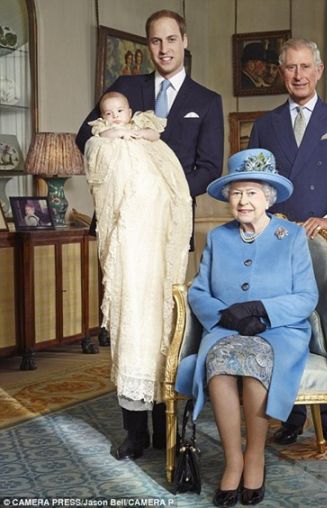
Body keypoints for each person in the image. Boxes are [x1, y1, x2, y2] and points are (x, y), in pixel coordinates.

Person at [76, 9, 224, 461]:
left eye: (171, 39)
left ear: (184, 40)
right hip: (125, 235)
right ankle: (134, 432)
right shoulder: (126, 89)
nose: (164, 48)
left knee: (166, 326)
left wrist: (166, 193)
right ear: (148, 46)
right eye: (156, 41)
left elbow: (209, 168)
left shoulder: (207, 99)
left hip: (169, 232)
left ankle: (167, 427)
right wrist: (119, 143)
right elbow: (87, 136)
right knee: (128, 325)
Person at [175, 148, 319, 507]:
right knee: (220, 367)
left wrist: (260, 309)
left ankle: (255, 457)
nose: (243, 201)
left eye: (252, 192)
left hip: (279, 330)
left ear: (267, 197)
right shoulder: (219, 237)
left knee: (255, 365)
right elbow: (198, 290)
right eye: (236, 193)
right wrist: (225, 316)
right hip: (226, 328)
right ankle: (233, 460)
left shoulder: (293, 236)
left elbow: (306, 297)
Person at [248, 38, 327, 446]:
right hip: (279, 246)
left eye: (305, 67)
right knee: (285, 329)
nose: (298, 75)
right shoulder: (265, 126)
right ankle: (293, 413)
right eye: (290, 68)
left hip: (326, 246)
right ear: (281, 73)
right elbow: (254, 186)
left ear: (318, 71)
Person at [84, 88, 192, 461]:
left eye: (120, 111)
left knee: (166, 334)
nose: (115, 117)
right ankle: (135, 433)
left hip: (162, 252)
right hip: (130, 254)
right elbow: (100, 179)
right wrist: (114, 135)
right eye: (108, 113)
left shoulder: (149, 135)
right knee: (133, 336)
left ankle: (165, 428)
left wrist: (139, 133)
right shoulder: (102, 142)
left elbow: (175, 182)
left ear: (130, 111)